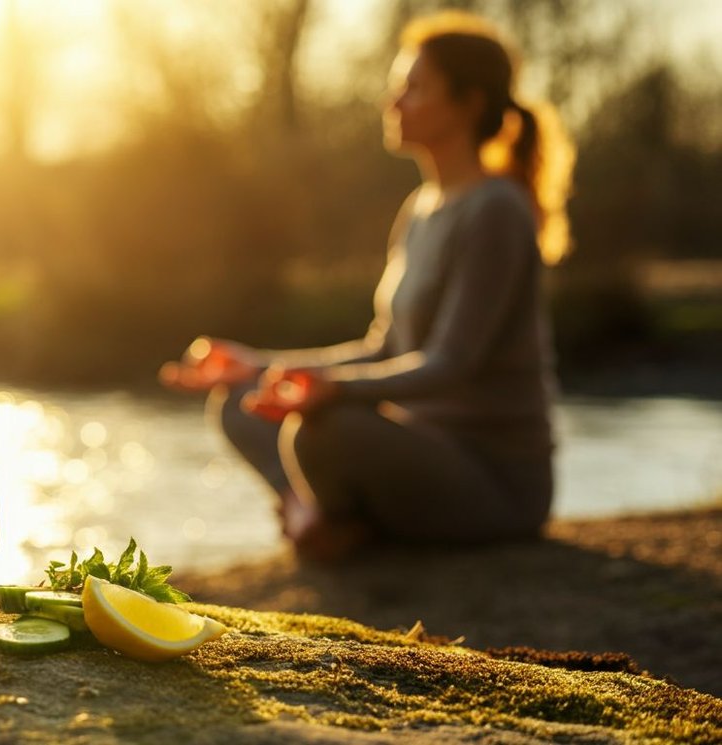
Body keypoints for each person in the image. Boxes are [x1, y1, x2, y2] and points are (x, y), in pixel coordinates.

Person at [160, 11, 576, 561]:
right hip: (419, 451)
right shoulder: (420, 210)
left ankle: (333, 521)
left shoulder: (497, 210)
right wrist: (257, 365)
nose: (393, 102)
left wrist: (336, 390)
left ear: (468, 103)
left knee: (321, 431)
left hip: (493, 480)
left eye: (414, 89)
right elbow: (384, 347)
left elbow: (452, 364)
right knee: (240, 401)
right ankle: (314, 512)